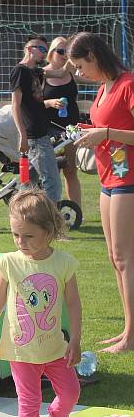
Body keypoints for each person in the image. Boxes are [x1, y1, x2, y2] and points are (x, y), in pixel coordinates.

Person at [0, 189, 82, 417]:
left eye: (28, 236)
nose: (20, 242)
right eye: (16, 235)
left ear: (48, 232)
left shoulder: (63, 263)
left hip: (55, 348)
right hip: (21, 350)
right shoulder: (9, 263)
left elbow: (73, 303)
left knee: (71, 393)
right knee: (29, 400)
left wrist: (75, 338)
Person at [69, 32, 134, 353]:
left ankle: (131, 335)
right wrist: (89, 133)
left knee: (124, 258)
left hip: (128, 181)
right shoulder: (103, 89)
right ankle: (127, 330)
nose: (79, 74)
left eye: (81, 66)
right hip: (109, 180)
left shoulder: (128, 84)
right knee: (115, 258)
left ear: (94, 55)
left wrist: (105, 132)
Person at [10, 34, 65, 203]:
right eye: (40, 49)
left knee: (29, 185)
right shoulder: (20, 71)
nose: (43, 53)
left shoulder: (36, 72)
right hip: (34, 136)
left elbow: (62, 73)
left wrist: (67, 54)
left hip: (41, 133)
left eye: (45, 50)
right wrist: (23, 136)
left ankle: (27, 216)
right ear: (28, 49)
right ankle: (51, 221)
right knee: (53, 183)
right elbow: (15, 106)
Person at [43, 36, 85, 210]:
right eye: (60, 51)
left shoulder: (72, 73)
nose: (63, 55)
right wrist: (50, 102)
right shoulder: (42, 73)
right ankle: (50, 211)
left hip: (71, 128)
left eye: (66, 52)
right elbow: (30, 104)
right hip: (48, 128)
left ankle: (75, 212)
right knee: (52, 172)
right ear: (51, 53)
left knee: (70, 170)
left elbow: (99, 78)